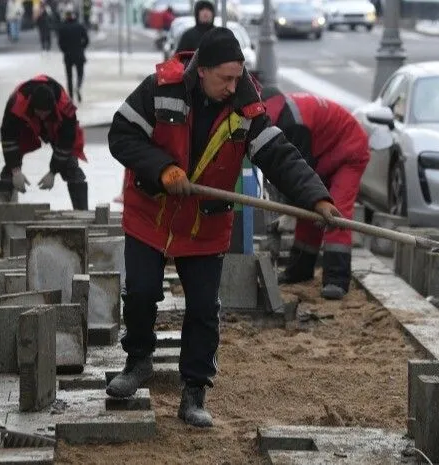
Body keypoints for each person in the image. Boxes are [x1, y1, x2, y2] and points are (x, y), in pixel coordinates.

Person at [106, 27, 341, 427]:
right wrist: (162, 169)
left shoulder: (247, 109)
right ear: (202, 71)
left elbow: (280, 155)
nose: (234, 87)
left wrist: (316, 197)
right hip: (152, 214)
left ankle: (194, 391)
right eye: (225, 79)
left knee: (202, 309)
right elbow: (121, 136)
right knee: (142, 292)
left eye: (238, 77)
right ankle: (138, 360)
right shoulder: (159, 88)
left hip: (204, 224)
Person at [260, 87, 370, 300]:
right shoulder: (277, 114)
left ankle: (336, 280)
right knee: (309, 210)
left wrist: (286, 212)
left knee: (335, 212)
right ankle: (300, 270)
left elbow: (297, 176)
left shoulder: (293, 125)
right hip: (323, 152)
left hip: (349, 150)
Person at [0, 75, 89, 210]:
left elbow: (66, 143)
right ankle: (0, 209)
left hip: (54, 126)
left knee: (71, 165)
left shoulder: (65, 107)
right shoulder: (16, 104)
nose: (42, 116)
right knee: (10, 167)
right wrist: (15, 170)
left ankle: (82, 212)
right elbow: (8, 139)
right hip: (26, 125)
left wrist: (53, 171)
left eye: (45, 113)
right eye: (39, 113)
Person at [57, 5, 89, 102]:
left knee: (69, 77)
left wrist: (65, 50)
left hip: (68, 56)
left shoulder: (62, 27)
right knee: (80, 74)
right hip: (79, 54)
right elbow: (86, 40)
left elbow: (60, 43)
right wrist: (82, 47)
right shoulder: (79, 26)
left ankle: (70, 97)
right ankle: (78, 86)